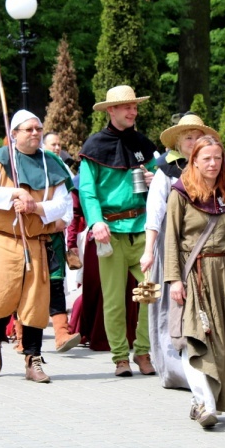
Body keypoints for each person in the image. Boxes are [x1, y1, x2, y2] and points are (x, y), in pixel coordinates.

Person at [165, 135, 225, 428]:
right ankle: (204, 403)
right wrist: (174, 280)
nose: (213, 163)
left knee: (224, 340)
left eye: (218, 158)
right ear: (194, 160)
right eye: (206, 158)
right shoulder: (180, 194)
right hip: (195, 274)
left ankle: (205, 400)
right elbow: (171, 240)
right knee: (196, 337)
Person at [0, 110, 72, 382]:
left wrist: (35, 205)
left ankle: (33, 359)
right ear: (14, 133)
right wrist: (16, 192)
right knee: (2, 296)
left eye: (38, 128)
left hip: (36, 241)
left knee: (35, 302)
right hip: (3, 238)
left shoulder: (51, 163)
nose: (35, 133)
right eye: (28, 129)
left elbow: (63, 205)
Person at [78, 85, 158, 377]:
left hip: (142, 231)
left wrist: (154, 178)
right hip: (110, 232)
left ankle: (144, 350)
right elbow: (87, 191)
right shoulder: (93, 146)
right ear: (110, 110)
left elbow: (160, 182)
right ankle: (120, 357)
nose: (132, 111)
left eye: (134, 106)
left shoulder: (143, 144)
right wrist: (96, 221)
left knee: (152, 292)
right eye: (126, 107)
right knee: (114, 301)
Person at [140, 112, 216, 388]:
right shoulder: (166, 171)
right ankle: (174, 368)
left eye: (197, 136)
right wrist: (149, 251)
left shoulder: (212, 168)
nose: (193, 141)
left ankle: (206, 365)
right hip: (171, 247)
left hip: (205, 249)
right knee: (171, 307)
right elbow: (155, 212)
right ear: (178, 143)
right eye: (188, 137)